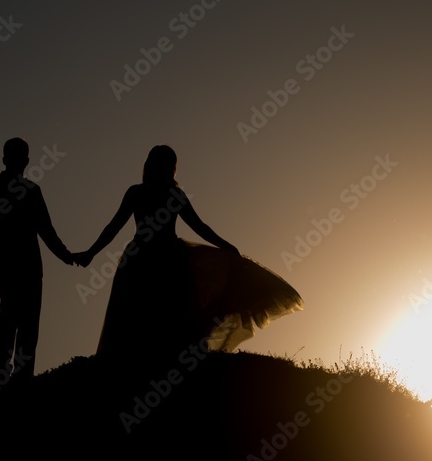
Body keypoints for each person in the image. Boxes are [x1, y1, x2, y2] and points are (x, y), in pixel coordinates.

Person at [73, 145, 303, 363]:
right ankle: (142, 360)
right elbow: (114, 226)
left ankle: (160, 360)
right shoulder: (142, 193)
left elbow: (198, 226)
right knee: (143, 311)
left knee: (166, 311)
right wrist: (91, 252)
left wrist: (225, 245)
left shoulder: (169, 195)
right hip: (147, 260)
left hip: (163, 259)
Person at [0, 137, 73, 382]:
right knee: (18, 318)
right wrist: (66, 256)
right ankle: (12, 373)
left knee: (17, 317)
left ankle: (12, 373)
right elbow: (45, 231)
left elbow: (45, 230)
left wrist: (66, 256)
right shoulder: (17, 190)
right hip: (18, 265)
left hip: (17, 265)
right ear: (23, 161)